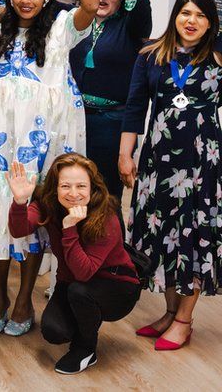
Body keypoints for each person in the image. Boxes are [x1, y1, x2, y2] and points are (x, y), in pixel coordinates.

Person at [0, 0, 99, 336]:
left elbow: (92, 6)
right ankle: (0, 297)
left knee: (31, 216)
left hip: (40, 143)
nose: (26, 0)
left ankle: (24, 298)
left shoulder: (61, 31)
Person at [119, 0, 222, 351]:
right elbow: (134, 109)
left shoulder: (218, 60)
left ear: (211, 23)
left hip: (201, 166)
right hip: (157, 162)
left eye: (200, 15)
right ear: (175, 15)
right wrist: (125, 154)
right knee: (162, 236)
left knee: (193, 237)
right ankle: (169, 311)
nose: (191, 21)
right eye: (185, 13)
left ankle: (184, 320)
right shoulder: (151, 55)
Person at [8, 154, 139, 374]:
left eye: (81, 186)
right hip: (74, 282)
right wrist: (20, 202)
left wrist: (69, 228)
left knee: (81, 292)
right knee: (53, 330)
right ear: (55, 187)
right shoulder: (48, 204)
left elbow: (84, 272)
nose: (74, 193)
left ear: (92, 187)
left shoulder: (106, 216)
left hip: (117, 286)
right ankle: (87, 319)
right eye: (65, 185)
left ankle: (86, 349)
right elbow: (19, 230)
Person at [69, 0, 151, 208]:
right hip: (73, 120)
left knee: (105, 201)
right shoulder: (74, 22)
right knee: (70, 197)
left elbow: (141, 6)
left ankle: (108, 252)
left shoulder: (130, 26)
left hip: (111, 125)